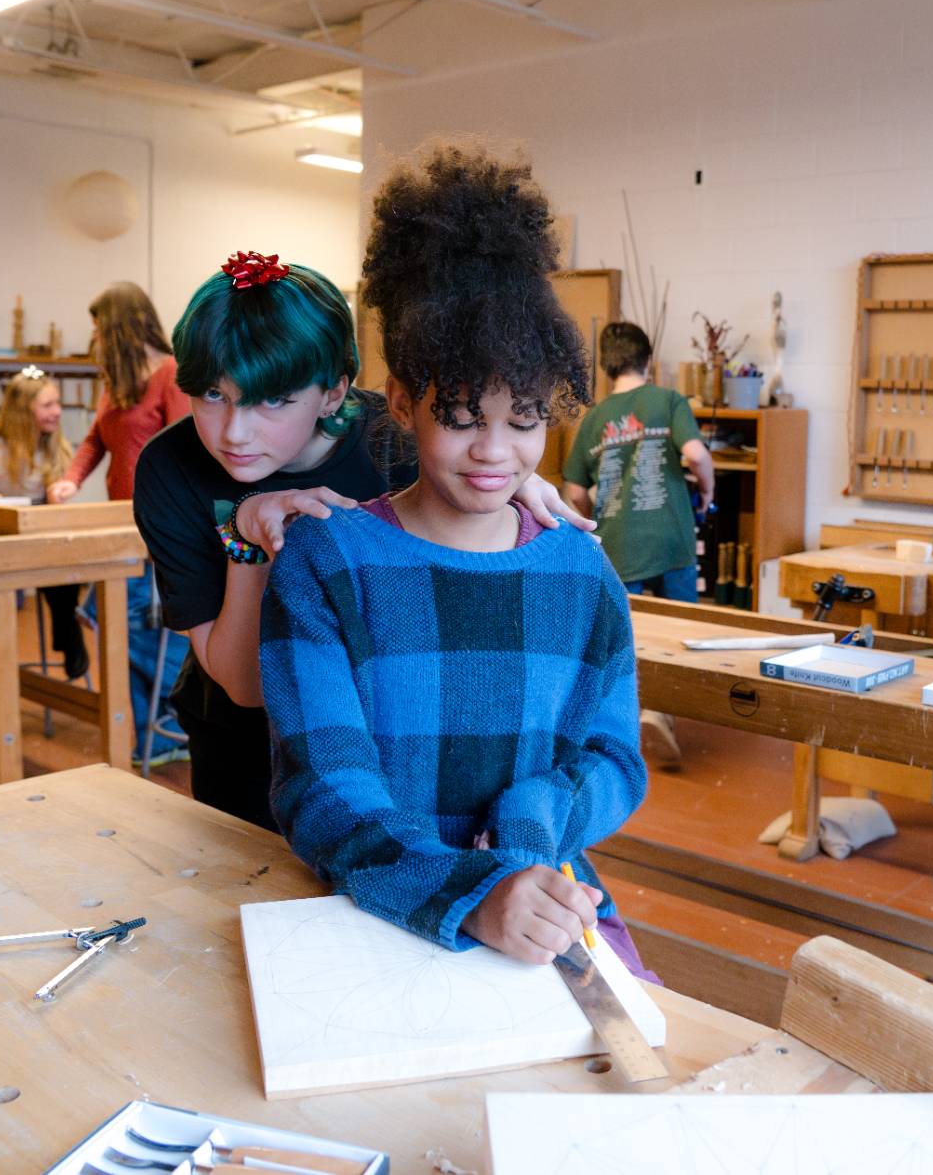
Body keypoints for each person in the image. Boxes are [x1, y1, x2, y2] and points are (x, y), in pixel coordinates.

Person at [260, 144, 655, 979]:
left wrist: (540, 813)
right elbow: (321, 789)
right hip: (375, 913)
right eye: (462, 415)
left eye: (524, 419)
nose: (494, 451)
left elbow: (616, 759)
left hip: (540, 910)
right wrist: (471, 890)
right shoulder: (330, 564)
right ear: (402, 401)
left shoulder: (580, 576)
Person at [131, 248, 591, 831]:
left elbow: (480, 462)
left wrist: (505, 481)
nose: (234, 432)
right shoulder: (170, 468)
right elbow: (246, 688)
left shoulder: (396, 439)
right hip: (241, 742)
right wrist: (247, 542)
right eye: (213, 396)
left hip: (389, 736)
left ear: (332, 392)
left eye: (273, 399)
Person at [48, 282, 192, 765]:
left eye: (97, 329)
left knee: (128, 629)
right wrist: (70, 480)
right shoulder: (117, 382)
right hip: (121, 526)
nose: (94, 339)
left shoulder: (170, 374)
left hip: (161, 531)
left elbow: (185, 450)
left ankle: (183, 713)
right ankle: (154, 740)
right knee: (117, 624)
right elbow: (93, 441)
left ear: (119, 328)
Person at [562, 321, 714, 766]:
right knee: (682, 631)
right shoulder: (667, 400)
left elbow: (573, 492)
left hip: (620, 543)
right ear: (649, 360)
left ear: (607, 367)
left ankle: (631, 727)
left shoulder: (593, 418)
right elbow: (697, 455)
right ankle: (664, 712)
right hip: (672, 537)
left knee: (633, 637)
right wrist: (707, 490)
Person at [0, 366, 85, 677]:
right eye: (47, 405)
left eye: (57, 403)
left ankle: (68, 633)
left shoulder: (55, 448)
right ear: (21, 411)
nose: (57, 412)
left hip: (39, 540)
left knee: (66, 558)